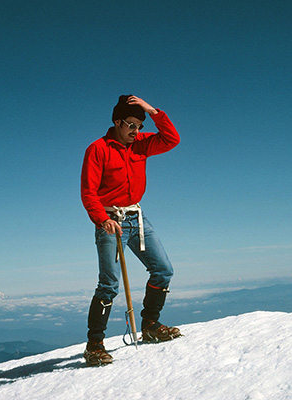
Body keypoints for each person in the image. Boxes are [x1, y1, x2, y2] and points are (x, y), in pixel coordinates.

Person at [80, 94, 181, 366]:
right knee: (109, 283)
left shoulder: (141, 144)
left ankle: (149, 326)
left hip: (136, 217)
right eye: (130, 125)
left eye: (139, 125)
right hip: (111, 221)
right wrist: (102, 219)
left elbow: (172, 139)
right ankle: (95, 345)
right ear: (117, 122)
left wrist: (152, 110)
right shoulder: (98, 149)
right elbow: (88, 192)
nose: (136, 131)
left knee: (163, 269)